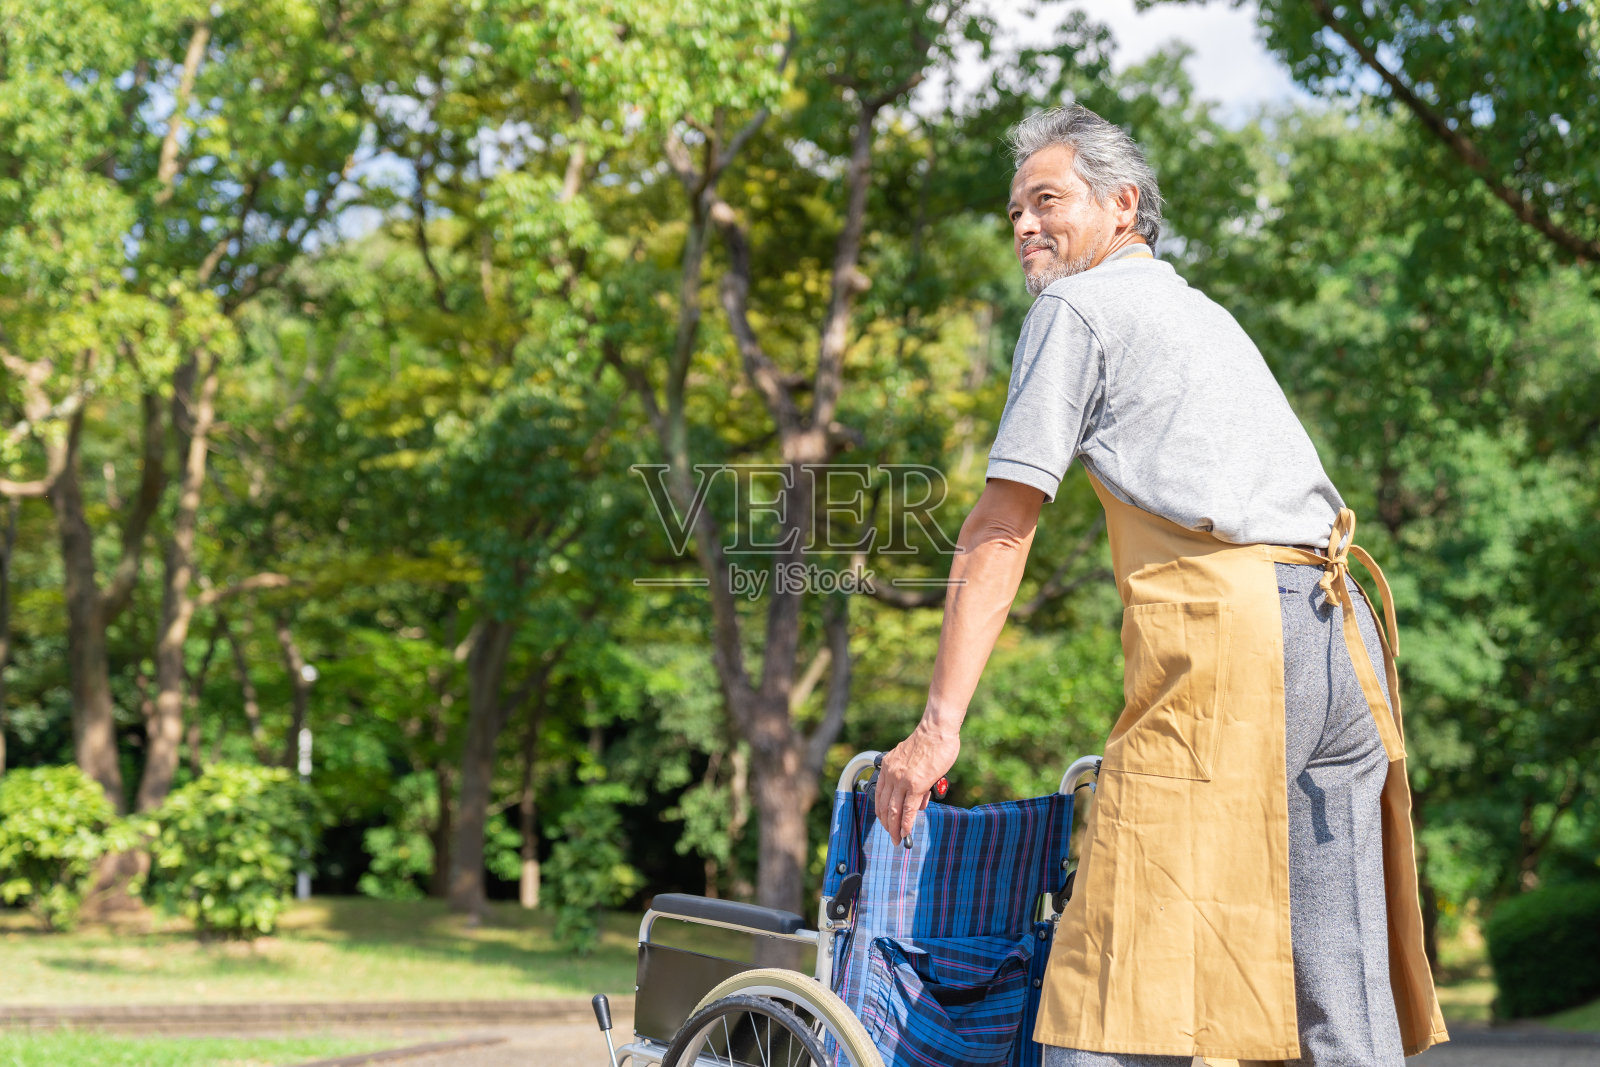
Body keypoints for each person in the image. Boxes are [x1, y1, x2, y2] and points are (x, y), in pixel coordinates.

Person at [872, 105, 1450, 1066]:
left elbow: (1002, 528)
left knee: (1115, 979)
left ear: (1122, 205)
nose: (1022, 224)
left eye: (1046, 200)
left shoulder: (1076, 309)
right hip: (1344, 640)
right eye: (1013, 209)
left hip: (1235, 642)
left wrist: (938, 726)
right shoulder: (1199, 311)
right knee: (1339, 992)